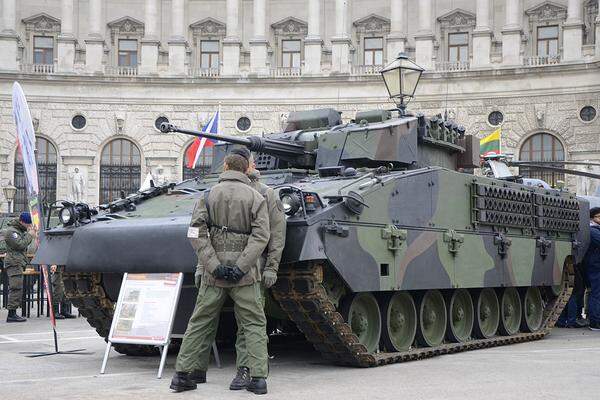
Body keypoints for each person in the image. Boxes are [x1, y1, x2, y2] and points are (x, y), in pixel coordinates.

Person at [171, 151, 270, 394]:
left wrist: (213, 265)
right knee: (254, 323)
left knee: (200, 321)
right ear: (246, 169)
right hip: (245, 275)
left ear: (225, 166)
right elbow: (261, 236)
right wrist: (241, 267)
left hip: (212, 274)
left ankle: (182, 374)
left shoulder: (207, 196)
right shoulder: (256, 197)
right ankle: (257, 379)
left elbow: (195, 233)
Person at [228, 148, 286, 391]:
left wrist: (272, 267)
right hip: (225, 267)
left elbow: (276, 233)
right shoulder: (222, 191)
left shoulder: (265, 193)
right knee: (242, 319)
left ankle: (250, 369)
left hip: (254, 268)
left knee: (249, 321)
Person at [3, 212, 33, 323]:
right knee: (15, 287)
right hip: (14, 263)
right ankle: (11, 314)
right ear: (21, 222)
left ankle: (13, 312)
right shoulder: (11, 231)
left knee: (18, 288)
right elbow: (19, 245)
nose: (29, 226)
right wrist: (30, 235)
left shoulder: (19, 230)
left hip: (18, 262)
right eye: (27, 224)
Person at [585, 207, 600, 331]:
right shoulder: (592, 230)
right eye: (599, 216)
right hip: (596, 266)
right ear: (592, 218)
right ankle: (595, 322)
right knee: (596, 294)